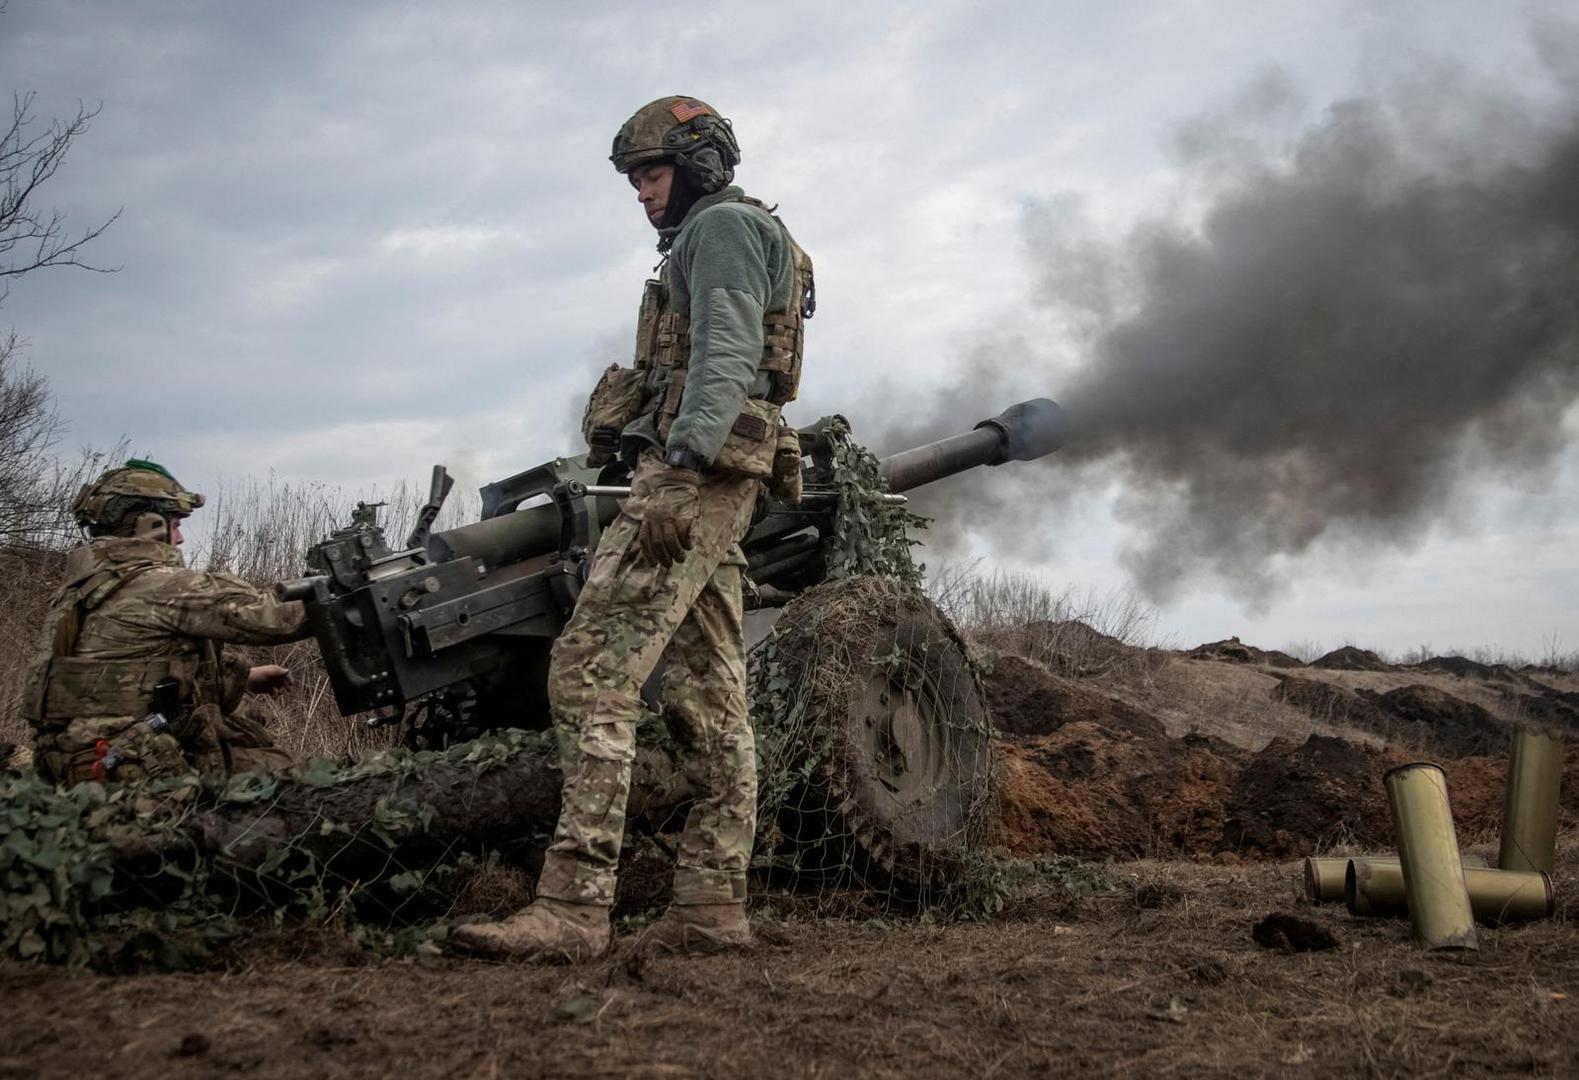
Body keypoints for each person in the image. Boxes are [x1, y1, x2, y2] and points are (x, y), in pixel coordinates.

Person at [453, 96, 813, 961]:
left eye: (651, 174)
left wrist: (679, 471)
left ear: (694, 166)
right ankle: (711, 906)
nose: (642, 193)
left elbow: (725, 353)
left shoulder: (720, 230)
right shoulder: (746, 231)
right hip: (726, 474)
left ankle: (573, 910)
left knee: (587, 672)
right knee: (710, 695)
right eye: (635, 179)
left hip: (695, 474)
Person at [20, 459, 309, 784]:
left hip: (76, 758)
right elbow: (276, 618)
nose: (181, 538)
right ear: (150, 525)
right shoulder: (157, 584)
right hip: (129, 766)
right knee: (290, 785)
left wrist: (246, 677)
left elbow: (118, 677)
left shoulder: (82, 588)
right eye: (175, 524)